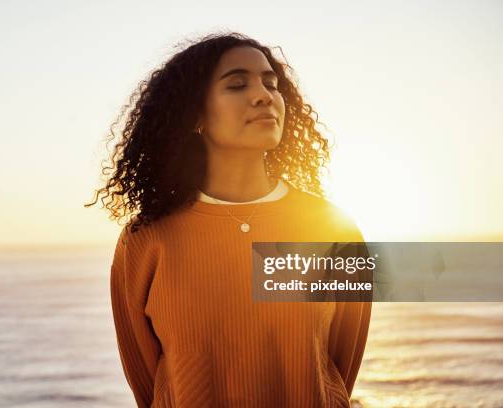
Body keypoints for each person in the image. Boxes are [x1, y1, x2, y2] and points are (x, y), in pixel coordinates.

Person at [86, 32, 372, 408]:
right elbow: (147, 376)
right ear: (195, 114)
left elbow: (339, 364)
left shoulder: (333, 229)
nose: (263, 95)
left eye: (271, 83)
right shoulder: (146, 239)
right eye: (237, 84)